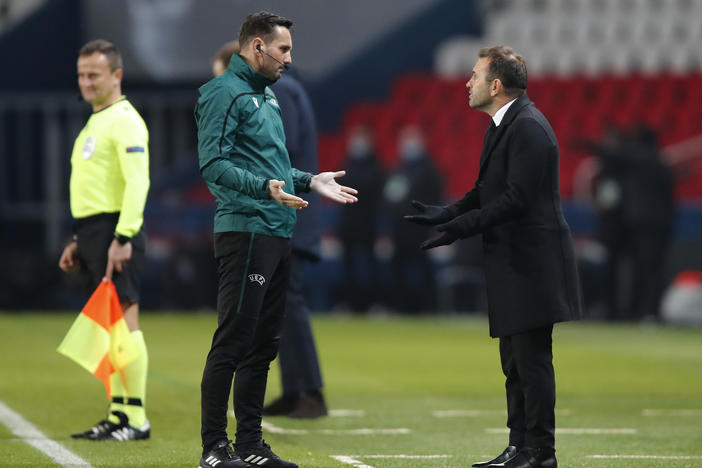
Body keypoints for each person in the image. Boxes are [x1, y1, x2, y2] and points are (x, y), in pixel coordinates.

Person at [405, 46, 582, 468]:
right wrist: (448, 213)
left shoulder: (529, 128)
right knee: (514, 364)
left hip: (533, 263)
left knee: (531, 361)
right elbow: (488, 191)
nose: (468, 83)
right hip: (512, 260)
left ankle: (541, 452)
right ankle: (519, 447)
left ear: (496, 85)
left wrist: (460, 229)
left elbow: (517, 199)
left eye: (475, 76)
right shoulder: (505, 125)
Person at [195, 12, 357, 468]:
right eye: (283, 50)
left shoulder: (267, 98)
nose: (290, 58)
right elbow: (213, 165)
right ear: (258, 47)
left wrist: (309, 180)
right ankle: (213, 447)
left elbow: (276, 169)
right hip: (245, 230)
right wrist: (261, 187)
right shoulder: (223, 92)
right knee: (234, 339)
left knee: (264, 344)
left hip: (276, 229)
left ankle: (249, 446)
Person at [212, 40, 328, 418]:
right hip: (280, 210)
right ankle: (296, 391)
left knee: (288, 301)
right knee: (278, 307)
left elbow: (278, 151)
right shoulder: (273, 91)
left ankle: (310, 392)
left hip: (290, 212)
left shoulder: (278, 92)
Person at [58, 39, 151, 441]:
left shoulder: (126, 120)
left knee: (125, 326)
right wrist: (80, 239)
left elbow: (137, 182)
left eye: (94, 74)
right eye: (81, 75)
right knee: (110, 330)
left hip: (117, 231)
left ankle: (137, 419)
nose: (86, 82)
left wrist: (124, 235)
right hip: (95, 233)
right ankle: (117, 415)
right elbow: (92, 189)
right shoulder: (96, 122)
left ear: (117, 76)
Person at [382, 125, 443, 312]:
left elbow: (435, 197)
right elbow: (388, 199)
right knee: (398, 268)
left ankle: (430, 307)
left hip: (420, 227)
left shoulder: (429, 169)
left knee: (423, 267)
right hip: (401, 226)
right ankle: (400, 307)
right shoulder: (398, 169)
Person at [337, 124, 385, 312]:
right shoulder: (346, 164)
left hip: (368, 223)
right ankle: (349, 303)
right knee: (347, 265)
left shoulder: (376, 166)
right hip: (348, 224)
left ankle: (373, 303)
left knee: (370, 264)